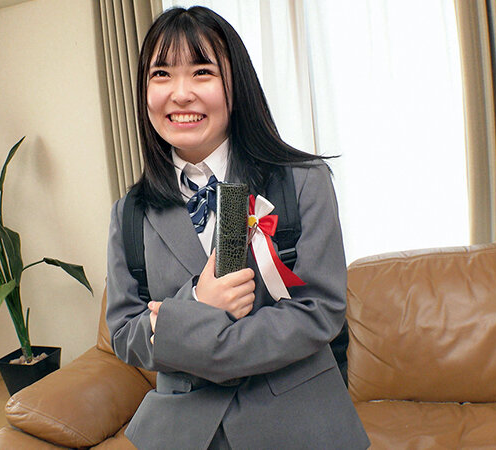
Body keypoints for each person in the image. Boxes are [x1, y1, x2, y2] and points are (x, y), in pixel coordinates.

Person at [106, 6, 369, 449]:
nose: (181, 94)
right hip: (186, 433)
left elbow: (320, 310)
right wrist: (197, 301)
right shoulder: (128, 213)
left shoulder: (303, 181)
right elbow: (124, 334)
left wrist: (195, 338)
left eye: (202, 72)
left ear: (236, 84)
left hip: (296, 423)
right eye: (161, 74)